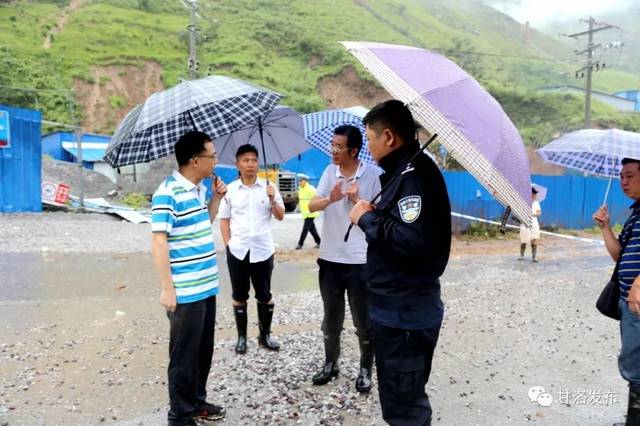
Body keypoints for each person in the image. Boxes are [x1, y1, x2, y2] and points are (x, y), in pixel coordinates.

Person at [349, 100, 451, 425]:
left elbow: (412, 241)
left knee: (405, 410)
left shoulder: (414, 175)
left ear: (389, 137)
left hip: (404, 315)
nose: (368, 146)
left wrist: (367, 219)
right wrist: (373, 212)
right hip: (398, 310)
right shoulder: (403, 172)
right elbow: (404, 230)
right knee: (402, 399)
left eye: (370, 138)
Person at [151, 130, 227, 426]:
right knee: (183, 357)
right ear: (196, 160)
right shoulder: (167, 192)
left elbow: (201, 224)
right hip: (184, 292)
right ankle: (179, 416)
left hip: (206, 287)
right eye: (212, 155)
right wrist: (167, 289)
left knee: (202, 351)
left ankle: (196, 401)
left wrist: (217, 200)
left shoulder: (197, 188)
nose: (215, 160)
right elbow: (159, 241)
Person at [308, 125, 381, 393]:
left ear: (353, 150)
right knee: (331, 318)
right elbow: (311, 205)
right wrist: (331, 197)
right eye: (332, 145)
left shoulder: (373, 175)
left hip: (360, 260)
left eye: (338, 147)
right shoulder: (330, 172)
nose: (333, 151)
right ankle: (331, 364)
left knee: (364, 320)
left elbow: (380, 213)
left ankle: (365, 369)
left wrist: (359, 200)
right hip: (329, 258)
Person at [219, 144, 285, 354]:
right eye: (246, 160)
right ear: (238, 164)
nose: (250, 164)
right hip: (238, 251)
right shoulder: (230, 190)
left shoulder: (269, 187)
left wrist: (273, 199)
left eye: (254, 160)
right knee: (239, 295)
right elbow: (224, 220)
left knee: (264, 294)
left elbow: (281, 215)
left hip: (263, 250)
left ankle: (265, 336)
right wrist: (228, 245)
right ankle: (241, 337)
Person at [593, 158, 640, 426]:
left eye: (630, 176)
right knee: (634, 363)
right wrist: (605, 227)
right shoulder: (635, 213)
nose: (623, 181)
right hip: (628, 302)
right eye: (621, 176)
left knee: (636, 368)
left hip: (638, 302)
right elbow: (619, 256)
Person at [296, 173, 321, 249]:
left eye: (301, 180)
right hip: (305, 213)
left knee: (305, 229)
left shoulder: (311, 189)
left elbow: (318, 197)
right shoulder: (300, 189)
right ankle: (319, 242)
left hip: (311, 212)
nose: (299, 182)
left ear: (305, 181)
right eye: (299, 180)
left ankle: (300, 244)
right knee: (312, 229)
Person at [519, 187, 542, 262]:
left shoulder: (536, 203)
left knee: (534, 238)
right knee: (524, 239)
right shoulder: (523, 202)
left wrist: (532, 214)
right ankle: (522, 255)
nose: (535, 195)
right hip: (525, 223)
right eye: (534, 193)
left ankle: (534, 257)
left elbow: (539, 213)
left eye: (535, 193)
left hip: (534, 223)